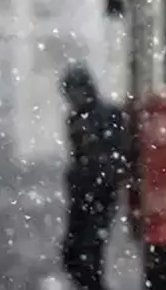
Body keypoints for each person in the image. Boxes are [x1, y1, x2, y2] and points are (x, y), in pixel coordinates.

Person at [59, 64, 129, 290]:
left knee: (86, 254)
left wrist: (101, 176)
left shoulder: (106, 115)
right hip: (84, 193)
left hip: (98, 193)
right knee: (74, 255)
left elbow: (116, 154)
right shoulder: (76, 118)